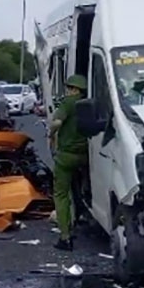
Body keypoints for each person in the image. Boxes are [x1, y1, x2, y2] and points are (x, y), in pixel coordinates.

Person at [48, 74, 88, 251]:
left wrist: (51, 133)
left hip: (66, 156)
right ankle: (82, 218)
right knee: (80, 189)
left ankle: (65, 237)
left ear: (72, 88)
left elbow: (56, 122)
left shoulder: (68, 102)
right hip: (85, 154)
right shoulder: (88, 103)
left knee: (61, 195)